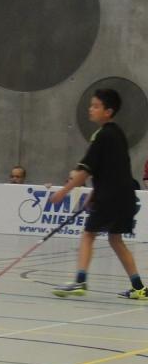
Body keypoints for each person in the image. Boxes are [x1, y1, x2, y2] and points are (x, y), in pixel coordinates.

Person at [51, 88, 147, 299]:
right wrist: (94, 192)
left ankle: (80, 281)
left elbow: (85, 171)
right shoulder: (118, 134)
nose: (90, 109)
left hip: (110, 198)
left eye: (96, 106)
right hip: (126, 197)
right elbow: (112, 170)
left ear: (108, 111)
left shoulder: (102, 136)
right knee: (116, 239)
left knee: (88, 235)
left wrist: (63, 192)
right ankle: (139, 287)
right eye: (91, 105)